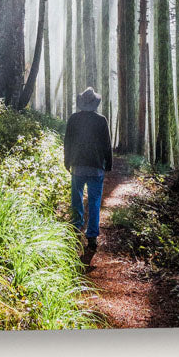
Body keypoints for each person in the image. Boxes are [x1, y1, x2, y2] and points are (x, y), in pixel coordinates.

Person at [63, 87, 112, 251]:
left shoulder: (73, 119)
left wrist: (67, 161)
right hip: (96, 167)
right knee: (94, 201)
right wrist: (109, 163)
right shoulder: (101, 120)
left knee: (76, 199)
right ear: (95, 104)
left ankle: (76, 230)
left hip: (77, 165)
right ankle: (91, 237)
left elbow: (67, 143)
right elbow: (107, 145)